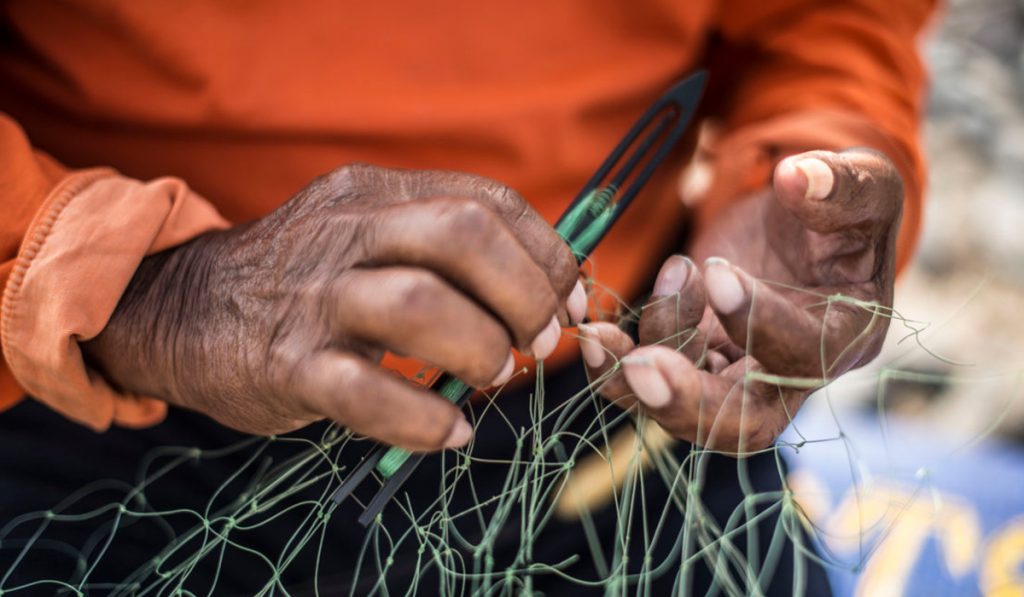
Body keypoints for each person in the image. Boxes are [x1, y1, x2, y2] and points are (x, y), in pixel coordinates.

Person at [0, 0, 934, 593]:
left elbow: (830, 21)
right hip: (84, 394)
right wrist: (130, 280)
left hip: (618, 398)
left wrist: (799, 162)